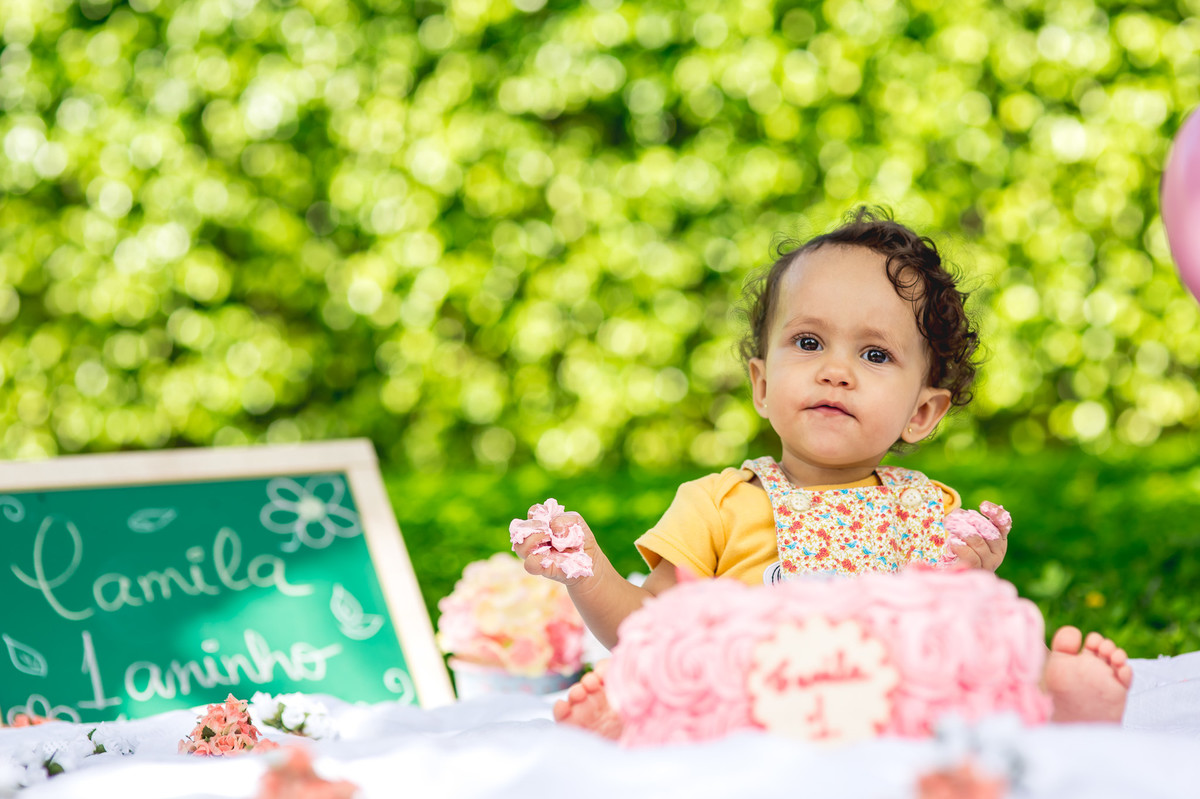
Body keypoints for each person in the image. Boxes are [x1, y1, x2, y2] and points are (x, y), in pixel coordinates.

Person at [512, 207, 1131, 733]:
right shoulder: (718, 504)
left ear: (921, 413)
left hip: (895, 714)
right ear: (761, 384)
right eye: (809, 343)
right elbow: (647, 629)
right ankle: (630, 722)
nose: (836, 371)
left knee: (995, 651)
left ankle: (1058, 698)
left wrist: (969, 574)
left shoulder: (929, 509)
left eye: (875, 354)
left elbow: (947, 631)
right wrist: (588, 571)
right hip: (754, 717)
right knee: (669, 684)